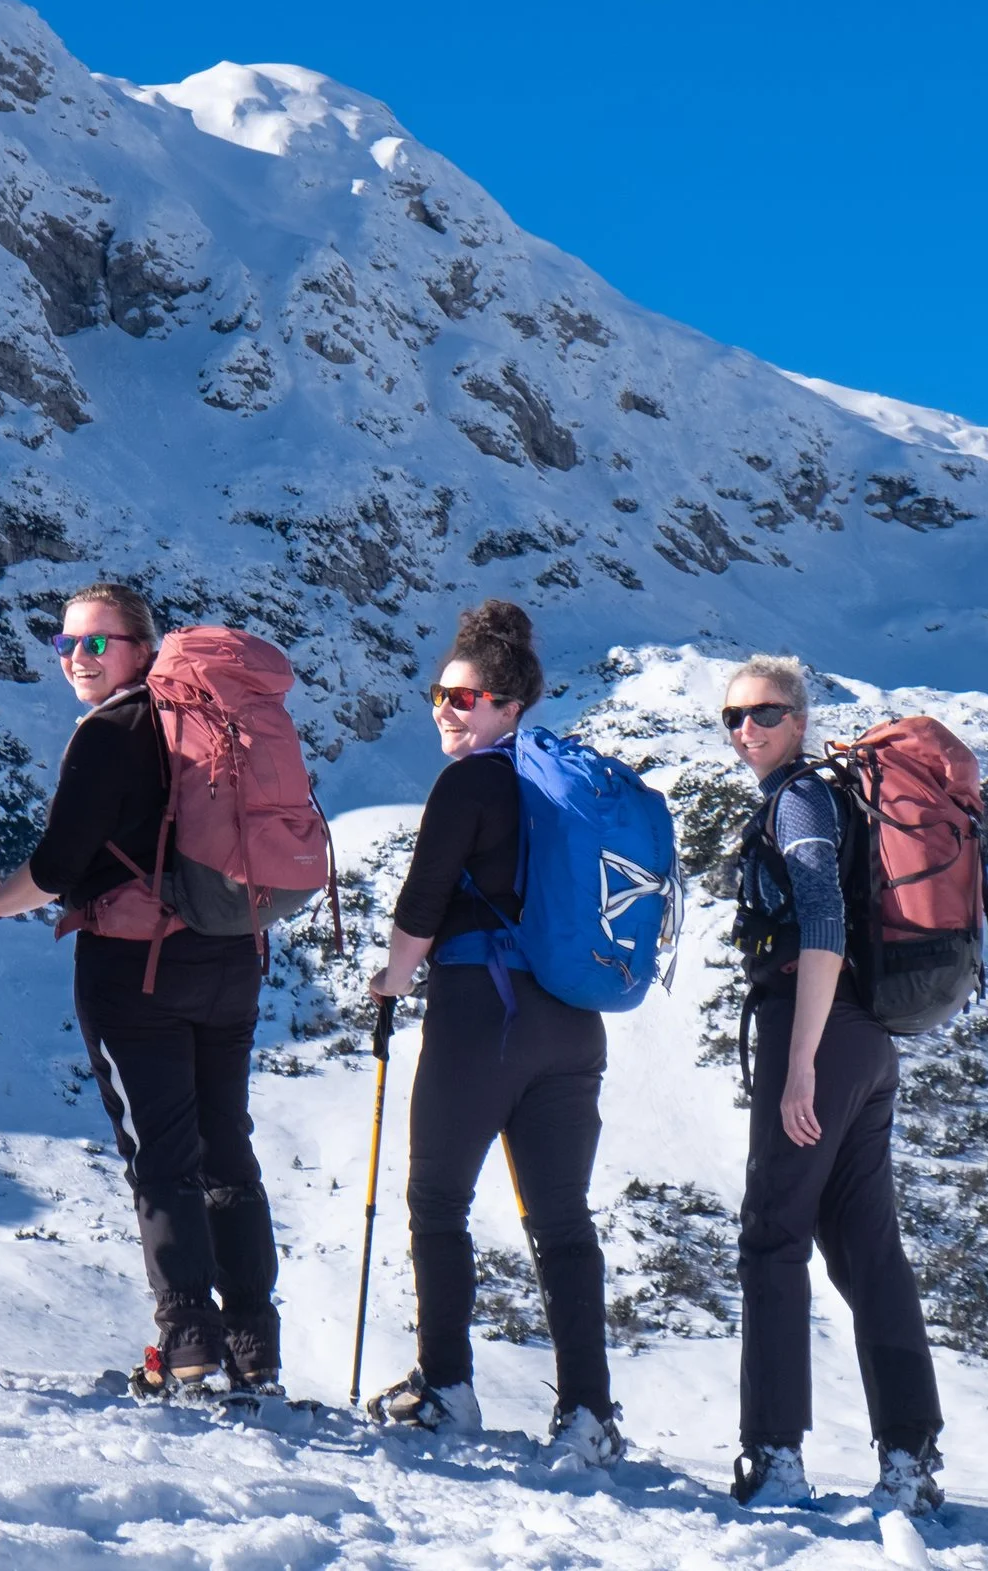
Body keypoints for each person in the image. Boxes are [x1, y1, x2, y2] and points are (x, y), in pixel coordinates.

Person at [0, 582, 282, 1396]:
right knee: (228, 1149)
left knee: (164, 1157)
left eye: (96, 643)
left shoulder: (111, 734)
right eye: (65, 643)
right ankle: (253, 1350)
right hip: (233, 957)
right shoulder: (210, 727)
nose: (77, 658)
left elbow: (61, 865)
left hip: (136, 966)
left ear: (143, 648)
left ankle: (187, 1350)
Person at [363, 600, 624, 1468]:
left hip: (484, 1016)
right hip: (573, 1023)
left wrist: (393, 979)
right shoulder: (562, 788)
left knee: (437, 1201)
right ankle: (589, 1413)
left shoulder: (472, 782)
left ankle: (447, 1386)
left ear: (509, 705)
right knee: (563, 1220)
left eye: (464, 698)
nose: (446, 709)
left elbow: (422, 902)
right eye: (439, 694)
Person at [720, 654, 945, 1514]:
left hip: (814, 1027)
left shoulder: (803, 799)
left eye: (766, 714)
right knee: (864, 1248)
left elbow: (820, 917)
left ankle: (775, 1457)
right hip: (869, 1040)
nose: (748, 730)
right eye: (733, 718)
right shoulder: (821, 794)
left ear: (801, 719)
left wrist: (800, 1063)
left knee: (772, 1234)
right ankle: (910, 1456)